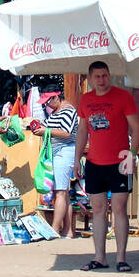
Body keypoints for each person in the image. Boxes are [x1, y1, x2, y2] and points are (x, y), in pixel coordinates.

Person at [74, 61, 139, 272]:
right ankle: (100, 257)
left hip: (119, 162)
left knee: (119, 209)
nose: (102, 80)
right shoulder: (86, 99)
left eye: (105, 75)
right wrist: (77, 158)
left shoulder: (123, 97)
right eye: (97, 76)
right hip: (94, 162)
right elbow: (83, 130)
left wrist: (132, 154)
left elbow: (137, 128)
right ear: (91, 78)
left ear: (109, 75)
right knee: (98, 210)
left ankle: (121, 257)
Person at [38, 87, 79, 238]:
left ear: (56, 97)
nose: (46, 105)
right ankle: (68, 231)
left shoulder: (68, 111)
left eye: (48, 101)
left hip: (65, 152)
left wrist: (45, 131)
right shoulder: (55, 111)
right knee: (64, 193)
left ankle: (54, 229)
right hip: (57, 153)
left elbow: (66, 132)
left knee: (60, 192)